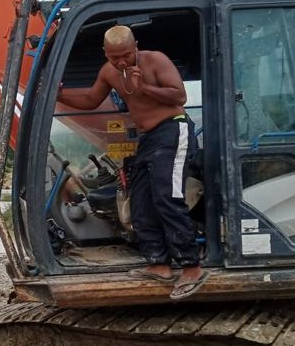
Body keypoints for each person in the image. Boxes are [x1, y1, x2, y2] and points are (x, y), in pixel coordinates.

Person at [57, 25, 207, 300]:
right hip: (148, 138)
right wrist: (59, 95)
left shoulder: (155, 60)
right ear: (106, 53)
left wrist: (144, 87)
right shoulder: (109, 71)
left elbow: (179, 96)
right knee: (140, 201)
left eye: (126, 54)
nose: (121, 62)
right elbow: (91, 99)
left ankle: (191, 267)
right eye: (115, 57)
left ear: (135, 46)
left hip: (173, 130)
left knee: (167, 197)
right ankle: (158, 264)